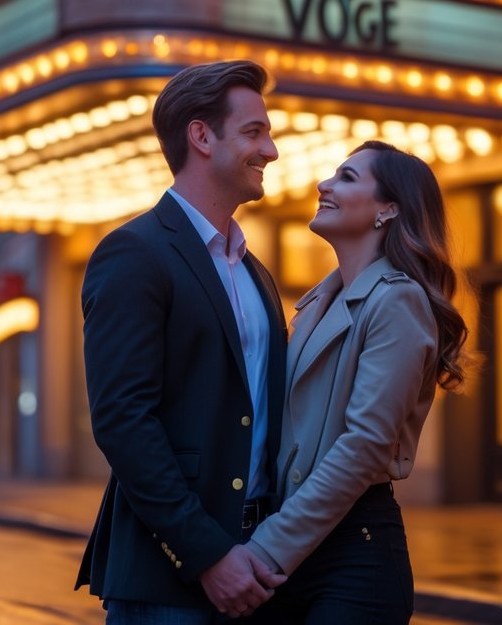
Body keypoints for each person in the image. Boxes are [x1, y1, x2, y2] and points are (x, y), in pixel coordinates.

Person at [76, 60, 289, 623]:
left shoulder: (255, 272)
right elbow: (123, 420)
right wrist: (207, 555)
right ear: (200, 136)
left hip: (260, 565)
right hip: (170, 583)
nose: (270, 151)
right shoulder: (134, 253)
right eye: (254, 132)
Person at [244, 140, 475, 625]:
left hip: (353, 552)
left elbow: (365, 444)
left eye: (347, 177)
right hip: (295, 540)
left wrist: (267, 547)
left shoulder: (397, 300)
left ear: (389, 209)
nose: (324, 184)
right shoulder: (315, 306)